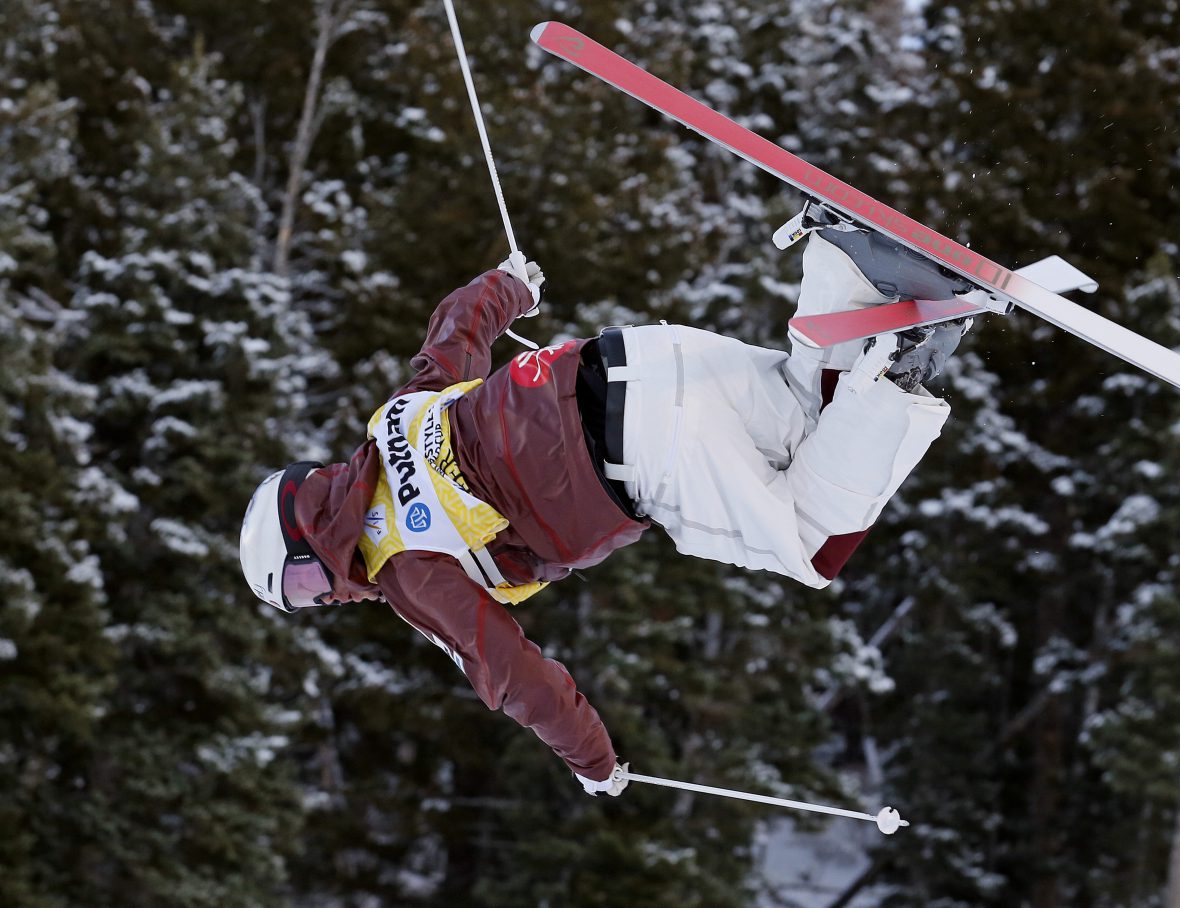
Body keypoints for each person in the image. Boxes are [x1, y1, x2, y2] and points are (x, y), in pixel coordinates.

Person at [238, 205, 971, 796]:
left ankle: (896, 369)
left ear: (308, 539)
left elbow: (511, 671)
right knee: (805, 415)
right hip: (639, 356)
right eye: (306, 600)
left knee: (811, 545)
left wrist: (591, 760)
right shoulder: (395, 418)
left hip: (648, 452)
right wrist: (509, 286)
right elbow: (455, 332)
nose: (327, 597)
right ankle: (848, 268)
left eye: (306, 586)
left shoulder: (404, 566)